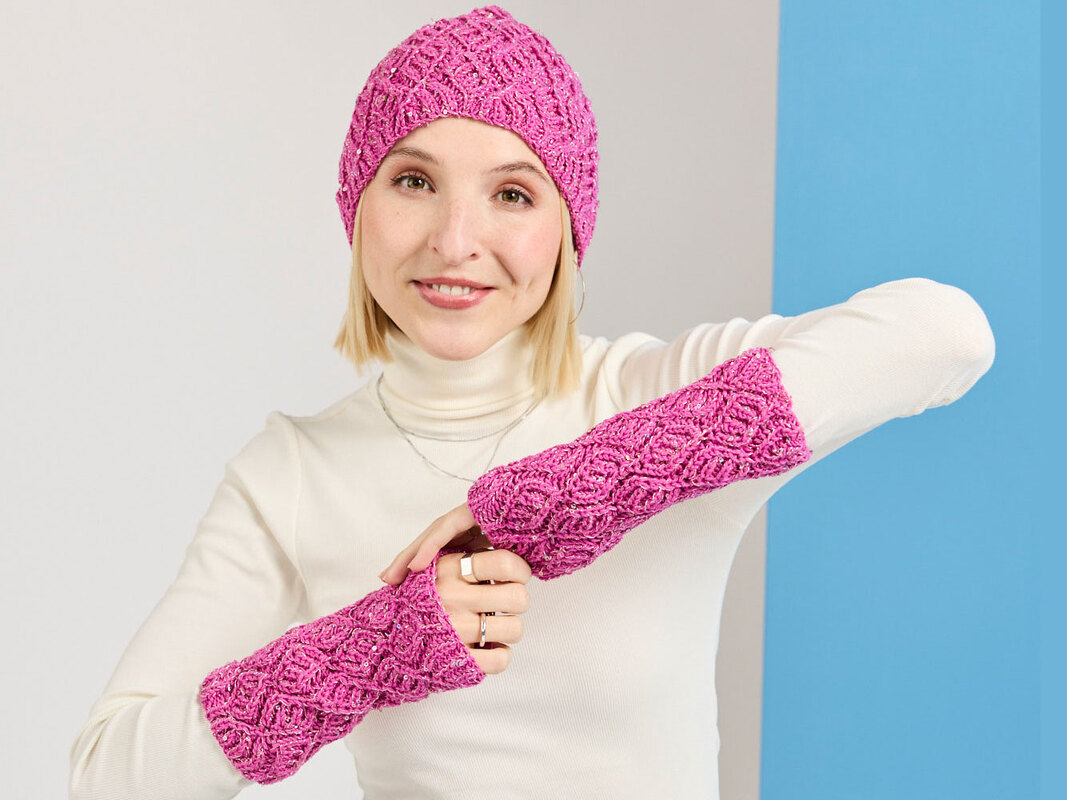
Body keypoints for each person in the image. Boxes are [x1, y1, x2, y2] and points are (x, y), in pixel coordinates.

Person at [69, 6, 995, 799]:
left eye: (512, 193)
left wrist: (572, 492)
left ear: (565, 231)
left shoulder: (645, 394)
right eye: (414, 181)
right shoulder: (292, 473)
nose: (454, 240)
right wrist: (368, 650)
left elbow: (945, 333)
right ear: (358, 208)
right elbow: (107, 774)